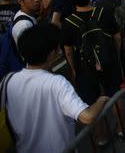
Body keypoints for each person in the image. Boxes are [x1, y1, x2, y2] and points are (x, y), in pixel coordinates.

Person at [6, 23, 109, 153]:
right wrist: (102, 100)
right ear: (50, 53)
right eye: (57, 48)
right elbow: (87, 116)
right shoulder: (56, 83)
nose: (59, 51)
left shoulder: (9, 81)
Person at [62, 0, 124, 143]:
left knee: (91, 101)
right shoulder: (104, 12)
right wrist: (115, 54)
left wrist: (74, 69)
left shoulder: (68, 23)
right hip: (109, 60)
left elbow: (68, 50)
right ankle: (121, 128)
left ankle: (101, 136)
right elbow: (117, 37)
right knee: (115, 94)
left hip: (85, 66)